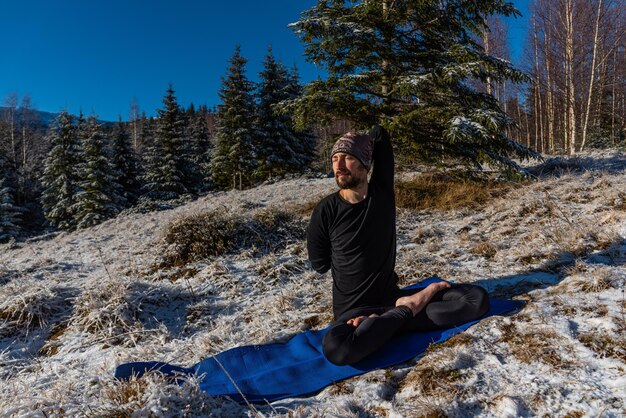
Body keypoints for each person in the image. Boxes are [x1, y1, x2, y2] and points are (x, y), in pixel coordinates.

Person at [307, 125, 489, 366]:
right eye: (335, 159)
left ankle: (386, 323)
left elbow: (381, 135)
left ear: (366, 164)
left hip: (392, 299)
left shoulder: (381, 194)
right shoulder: (325, 210)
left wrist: (364, 136)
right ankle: (407, 311)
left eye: (348, 158)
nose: (338, 166)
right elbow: (319, 264)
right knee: (339, 350)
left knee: (477, 299)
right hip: (353, 312)